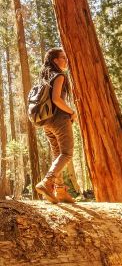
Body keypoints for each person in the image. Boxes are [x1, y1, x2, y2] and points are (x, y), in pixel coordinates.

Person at [35, 48, 77, 204]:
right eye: (63, 58)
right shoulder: (59, 76)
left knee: (57, 154)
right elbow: (56, 99)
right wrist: (72, 112)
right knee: (67, 153)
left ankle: (60, 191)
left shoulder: (44, 77)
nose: (66, 60)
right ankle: (47, 182)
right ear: (55, 61)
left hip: (47, 122)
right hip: (59, 119)